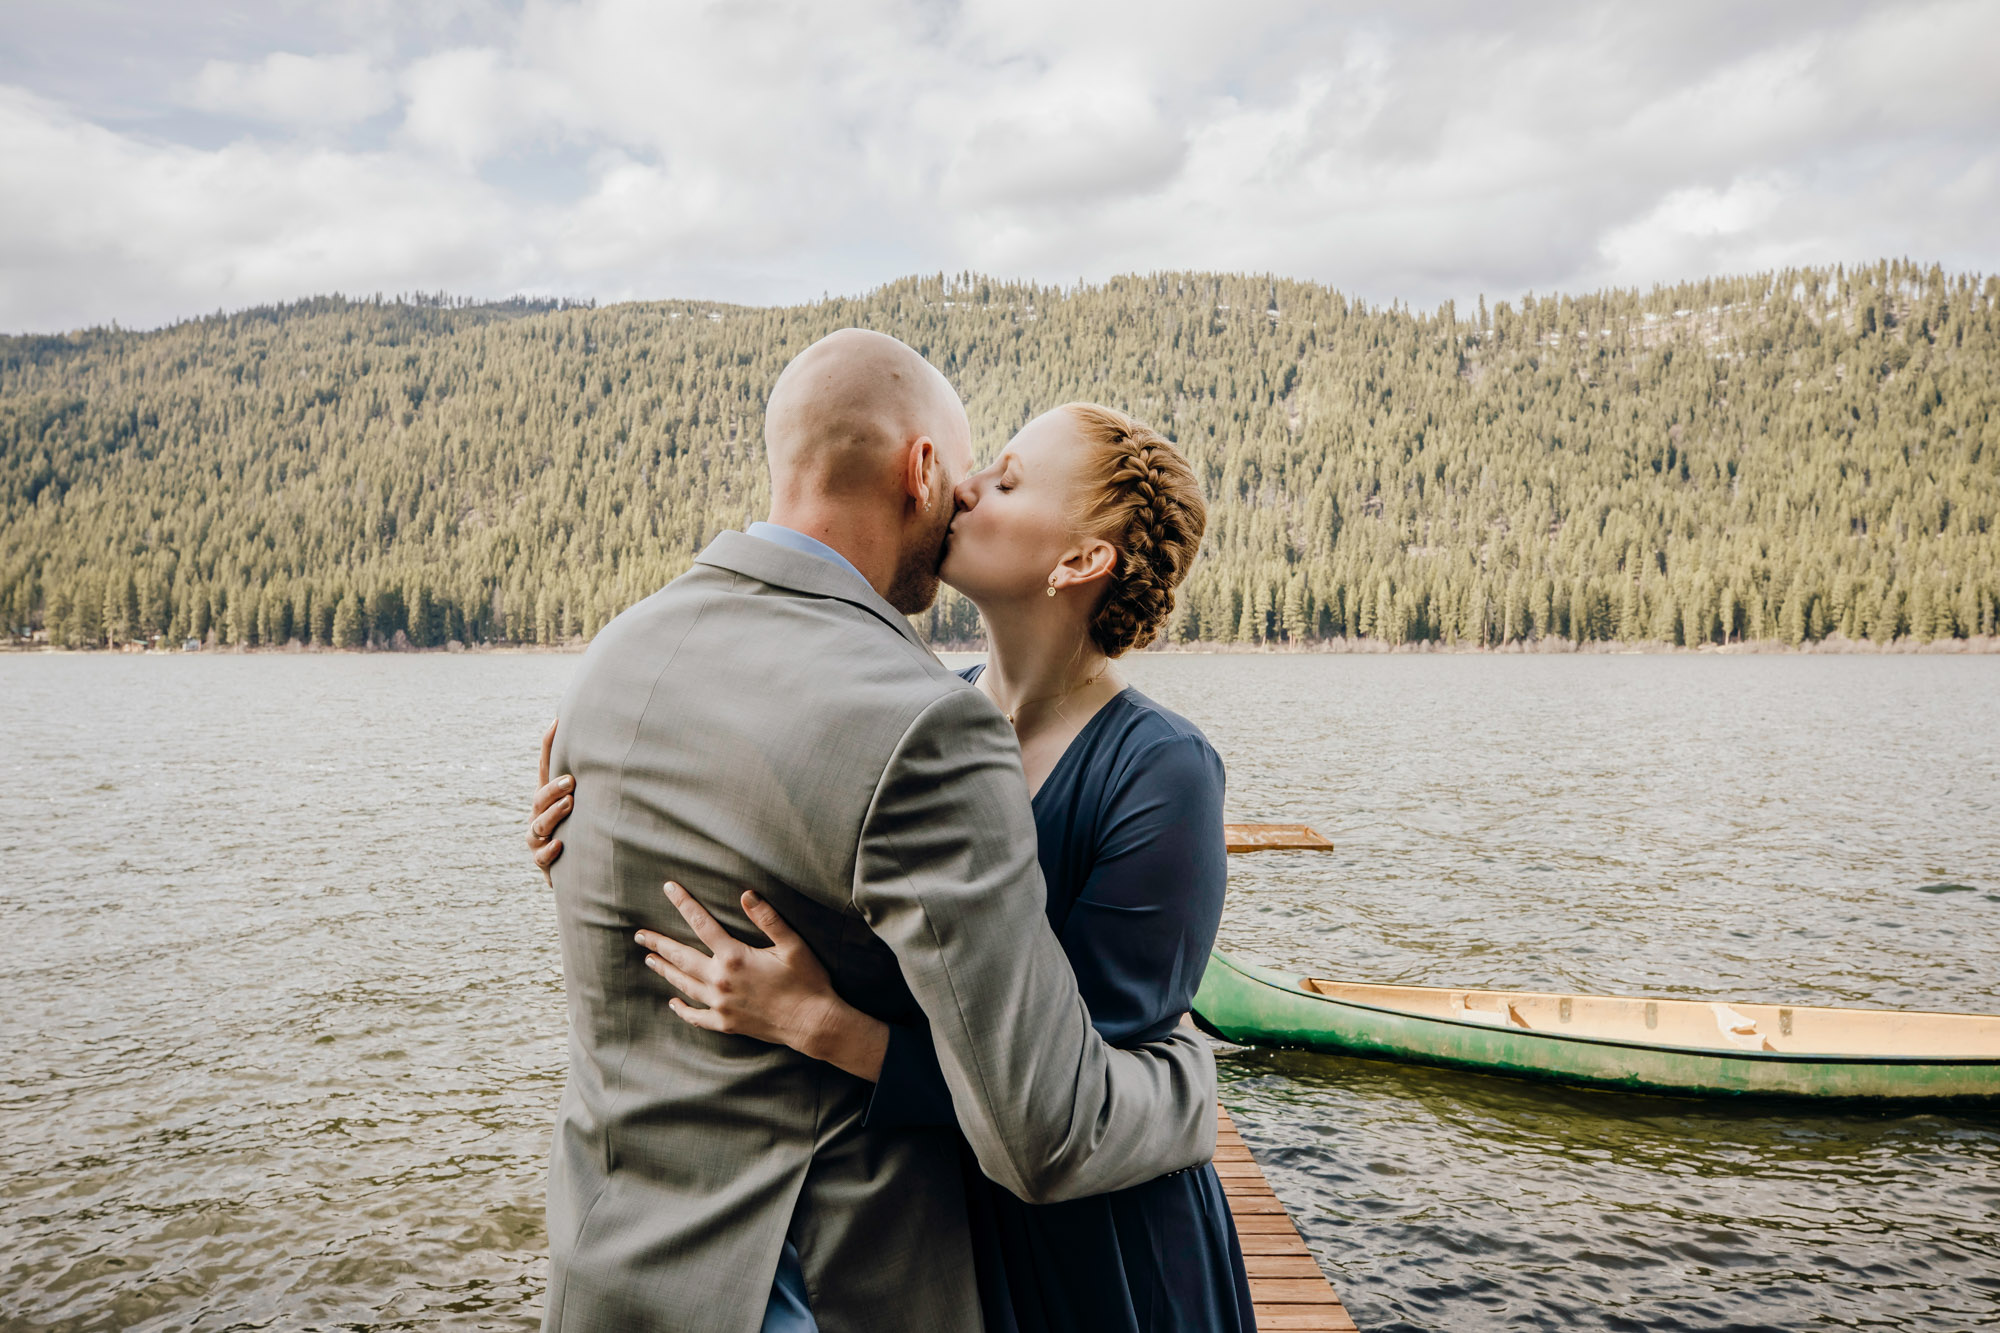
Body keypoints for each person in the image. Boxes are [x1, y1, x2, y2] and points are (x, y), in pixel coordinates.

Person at [528, 329, 1218, 1333]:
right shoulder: (930, 719)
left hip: (1083, 1249)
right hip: (908, 1241)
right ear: (920, 469)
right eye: (978, 468)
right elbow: (1041, 1109)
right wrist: (1188, 1087)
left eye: (1010, 481)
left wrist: (827, 1026)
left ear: (1080, 558)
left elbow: (1062, 1091)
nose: (973, 492)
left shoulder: (617, 653)